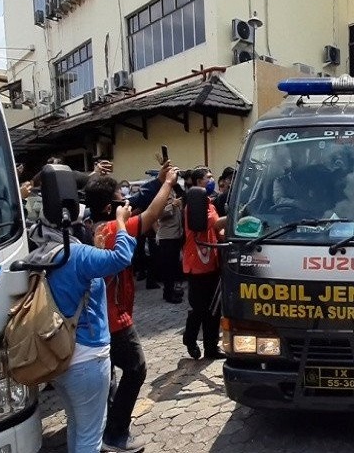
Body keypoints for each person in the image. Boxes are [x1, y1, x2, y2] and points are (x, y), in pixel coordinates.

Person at [84, 161, 178, 453]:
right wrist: (168, 184)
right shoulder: (114, 229)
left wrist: (157, 181)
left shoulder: (92, 227)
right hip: (116, 319)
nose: (126, 203)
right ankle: (116, 432)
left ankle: (103, 425)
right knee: (136, 369)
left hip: (98, 319)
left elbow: (138, 202)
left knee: (110, 374)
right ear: (108, 208)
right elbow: (151, 215)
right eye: (120, 200)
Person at [28, 199, 136, 453]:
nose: (87, 225)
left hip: (60, 356)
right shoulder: (76, 254)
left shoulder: (42, 254)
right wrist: (121, 222)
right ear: (71, 226)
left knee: (77, 426)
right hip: (88, 359)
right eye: (84, 221)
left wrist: (95, 248)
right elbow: (121, 257)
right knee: (90, 437)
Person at [183, 167, 228, 359]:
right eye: (208, 178)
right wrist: (237, 216)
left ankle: (211, 347)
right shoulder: (193, 207)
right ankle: (190, 338)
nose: (212, 180)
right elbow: (215, 223)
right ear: (198, 182)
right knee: (199, 308)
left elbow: (218, 232)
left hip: (212, 263)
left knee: (214, 309)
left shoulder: (210, 205)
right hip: (197, 265)